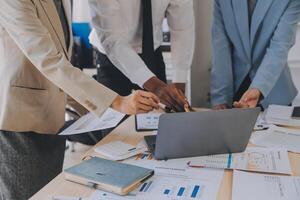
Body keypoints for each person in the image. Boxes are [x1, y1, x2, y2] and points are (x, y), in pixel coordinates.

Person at [0, 0, 159, 199]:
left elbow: (63, 57)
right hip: (20, 123)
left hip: (53, 117)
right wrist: (117, 101)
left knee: (48, 193)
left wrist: (97, 108)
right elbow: (50, 60)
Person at [88, 0, 195, 112]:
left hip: (153, 54)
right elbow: (112, 39)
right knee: (116, 126)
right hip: (112, 60)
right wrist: (156, 86)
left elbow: (182, 28)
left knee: (162, 123)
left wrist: (179, 86)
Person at [211, 0, 300, 109]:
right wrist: (221, 97)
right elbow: (220, 46)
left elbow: (279, 47)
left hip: (273, 92)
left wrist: (258, 87)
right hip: (235, 92)